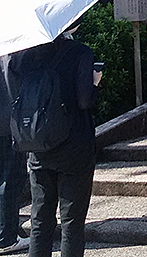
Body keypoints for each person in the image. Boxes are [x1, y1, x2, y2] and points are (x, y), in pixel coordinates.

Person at [6, 29, 102, 257]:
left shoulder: (24, 57)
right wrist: (96, 83)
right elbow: (85, 100)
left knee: (40, 219)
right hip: (74, 146)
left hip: (37, 144)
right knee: (72, 222)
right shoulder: (80, 52)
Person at [0, 0, 28, 255]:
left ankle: (9, 227)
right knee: (11, 177)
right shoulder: (14, 38)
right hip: (9, 118)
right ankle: (7, 236)